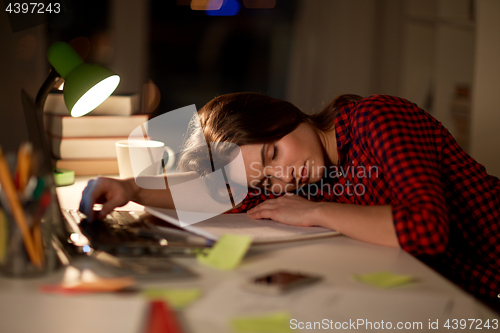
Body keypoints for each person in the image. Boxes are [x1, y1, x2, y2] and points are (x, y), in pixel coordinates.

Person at [80, 92, 500, 309]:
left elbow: (426, 229)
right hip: (462, 295)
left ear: (283, 115)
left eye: (272, 153)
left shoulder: (377, 118)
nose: (281, 178)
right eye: (265, 178)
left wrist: (315, 212)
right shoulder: (298, 178)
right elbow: (215, 196)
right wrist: (132, 189)